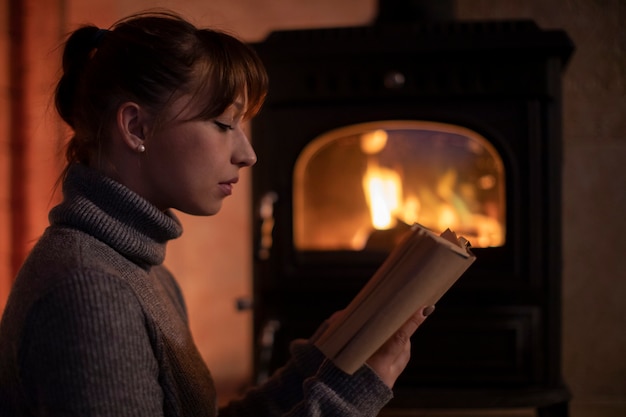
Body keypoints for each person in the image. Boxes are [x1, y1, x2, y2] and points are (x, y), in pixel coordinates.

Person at [0, 10, 434, 417]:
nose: (247, 154)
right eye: (224, 125)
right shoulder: (91, 290)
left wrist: (318, 364)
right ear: (136, 127)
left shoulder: (141, 273)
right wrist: (345, 399)